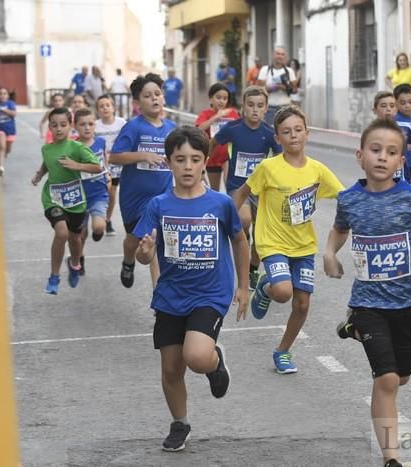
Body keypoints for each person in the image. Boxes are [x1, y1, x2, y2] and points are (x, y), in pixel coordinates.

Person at [323, 117, 411, 467]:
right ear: (359, 155)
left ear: (400, 162)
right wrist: (330, 253)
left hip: (407, 302)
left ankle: (353, 329)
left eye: (391, 152)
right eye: (375, 150)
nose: (382, 157)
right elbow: (338, 230)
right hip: (367, 301)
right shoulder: (349, 199)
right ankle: (391, 457)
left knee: (403, 375)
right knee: (388, 378)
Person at [133, 125, 250, 452]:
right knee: (171, 368)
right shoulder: (158, 205)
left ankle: (213, 362)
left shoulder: (220, 204)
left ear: (203, 164)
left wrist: (244, 285)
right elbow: (144, 254)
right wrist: (143, 253)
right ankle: (180, 423)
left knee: (196, 356)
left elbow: (240, 241)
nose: (187, 166)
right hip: (171, 296)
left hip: (211, 294)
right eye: (179, 159)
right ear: (169, 162)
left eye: (194, 159)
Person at [232, 105, 344, 374]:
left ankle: (282, 351)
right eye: (286, 132)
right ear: (277, 138)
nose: (293, 135)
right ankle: (266, 289)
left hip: (303, 245)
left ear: (308, 133)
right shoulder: (269, 168)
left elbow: (346, 197)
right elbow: (243, 192)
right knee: (283, 291)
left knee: (302, 303)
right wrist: (225, 218)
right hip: (272, 243)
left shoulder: (317, 170)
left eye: (298, 130)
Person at [210, 86, 282, 289]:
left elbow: (279, 159)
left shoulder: (269, 133)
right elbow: (214, 142)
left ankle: (252, 269)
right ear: (243, 107)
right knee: (243, 219)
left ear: (266, 108)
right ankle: (242, 242)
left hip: (261, 190)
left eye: (260, 106)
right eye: (250, 105)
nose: (255, 110)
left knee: (261, 237)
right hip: (237, 186)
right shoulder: (233, 128)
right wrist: (203, 160)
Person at [110, 73, 177, 289]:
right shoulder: (133, 127)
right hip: (135, 199)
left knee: (157, 242)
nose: (154, 99)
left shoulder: (171, 129)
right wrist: (143, 155)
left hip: (162, 197)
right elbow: (115, 156)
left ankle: (160, 293)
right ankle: (128, 261)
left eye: (157, 94)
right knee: (132, 240)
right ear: (137, 103)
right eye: (148, 96)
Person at [30, 107, 103, 294]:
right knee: (61, 233)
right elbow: (48, 163)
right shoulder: (46, 149)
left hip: (75, 201)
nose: (59, 129)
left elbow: (97, 167)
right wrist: (39, 175)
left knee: (75, 239)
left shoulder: (77, 147)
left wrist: (77, 165)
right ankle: (54, 276)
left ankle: (75, 263)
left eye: (63, 125)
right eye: (54, 125)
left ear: (70, 126)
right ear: (49, 128)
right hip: (53, 198)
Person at [73, 108, 109, 275]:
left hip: (98, 194)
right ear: (75, 127)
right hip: (79, 196)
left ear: (95, 125)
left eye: (90, 124)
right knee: (80, 234)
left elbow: (104, 161)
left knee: (99, 226)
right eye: (82, 124)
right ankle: (80, 258)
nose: (87, 128)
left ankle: (98, 231)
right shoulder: (73, 146)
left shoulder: (100, 142)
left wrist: (107, 173)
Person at [194, 83, 240, 191]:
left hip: (227, 155)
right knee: (215, 191)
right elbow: (198, 129)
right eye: (218, 97)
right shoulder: (205, 113)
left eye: (225, 98)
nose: (221, 101)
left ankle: (231, 207)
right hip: (212, 156)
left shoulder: (232, 113)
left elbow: (239, 129)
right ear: (211, 99)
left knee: (230, 187)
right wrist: (216, 117)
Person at [95, 94, 127, 236]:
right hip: (100, 165)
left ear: (113, 107)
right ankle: (99, 217)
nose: (105, 108)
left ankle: (107, 220)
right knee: (106, 192)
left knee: (112, 193)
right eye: (101, 106)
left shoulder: (122, 123)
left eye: (107, 105)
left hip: (117, 163)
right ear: (98, 110)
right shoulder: (95, 126)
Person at [256, 46, 297, 125]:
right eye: (278, 54)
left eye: (282, 54)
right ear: (273, 55)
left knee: (285, 132)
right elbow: (259, 89)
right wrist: (274, 87)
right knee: (269, 132)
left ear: (285, 57)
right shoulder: (265, 70)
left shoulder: (289, 71)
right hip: (269, 108)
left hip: (285, 107)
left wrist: (285, 87)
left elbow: (294, 90)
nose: (280, 56)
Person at [0, 86, 17, 177]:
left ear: (8, 95)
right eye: (0, 94)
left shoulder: (10, 103)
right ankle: (1, 167)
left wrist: (5, 110)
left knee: (8, 149)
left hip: (11, 130)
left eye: (4, 94)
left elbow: (14, 114)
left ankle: (6, 154)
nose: (2, 95)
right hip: (0, 129)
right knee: (2, 147)